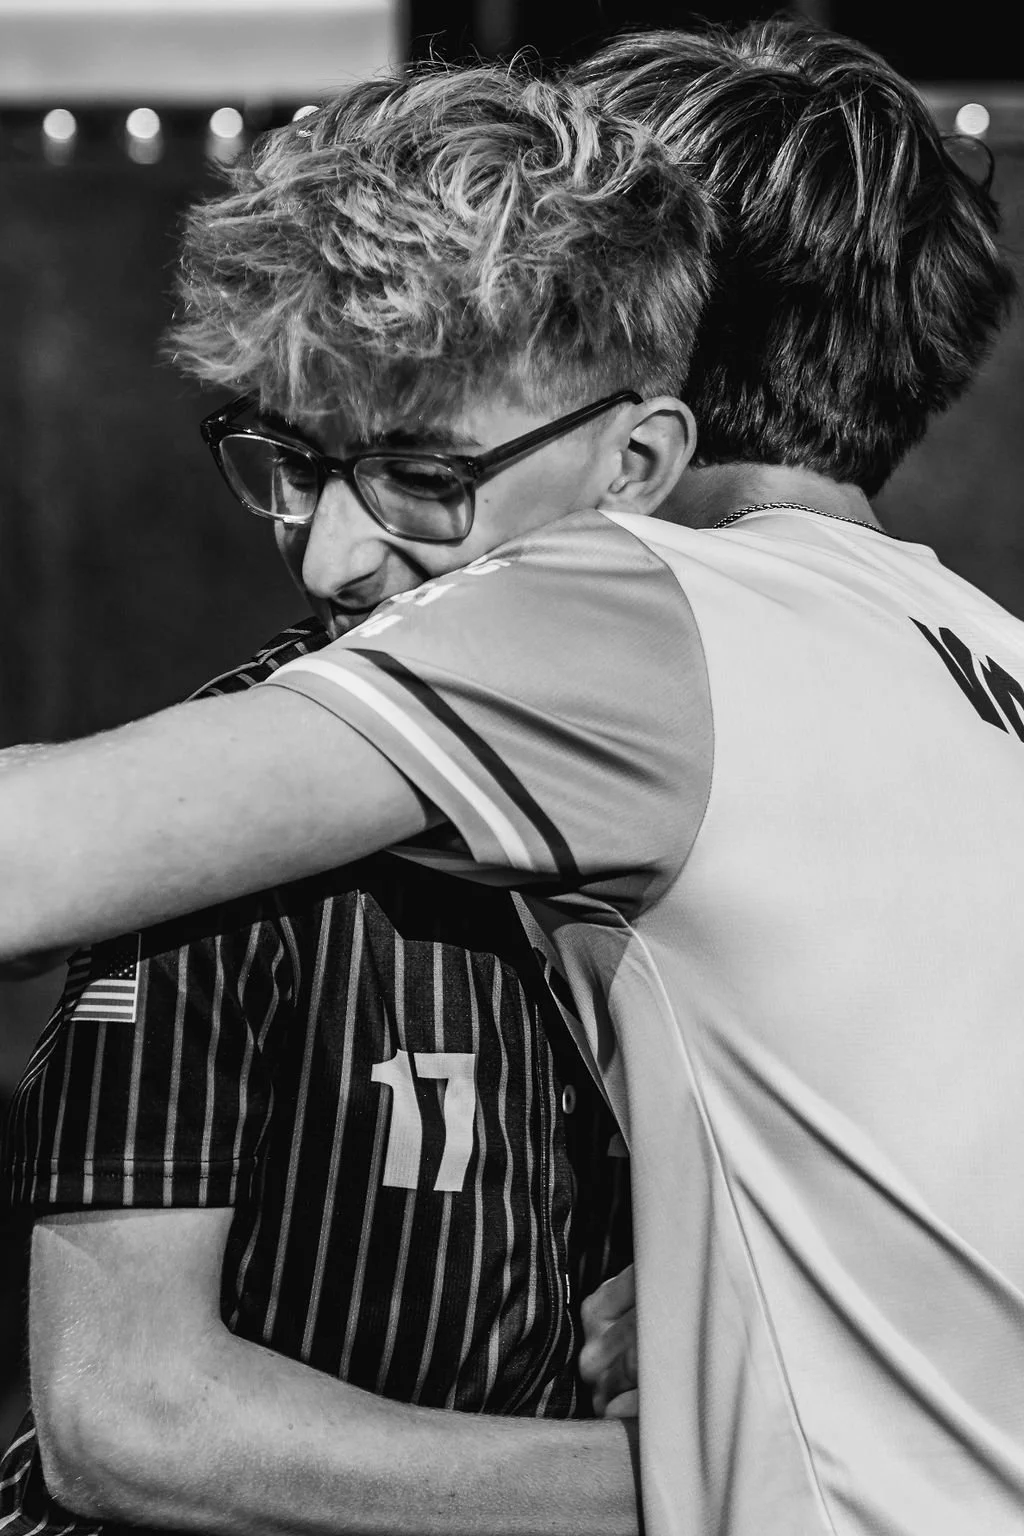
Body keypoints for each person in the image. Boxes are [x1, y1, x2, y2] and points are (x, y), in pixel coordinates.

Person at [1, 18, 1021, 1536]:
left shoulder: (634, 616)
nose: (338, 547)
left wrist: (716, 1444)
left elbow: (30, 851)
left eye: (426, 469)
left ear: (643, 399)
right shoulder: (980, 650)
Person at [1, 60, 703, 1536]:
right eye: (292, 468)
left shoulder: (777, 771)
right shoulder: (224, 804)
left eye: (424, 480)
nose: (328, 563)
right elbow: (123, 1419)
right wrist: (716, 1487)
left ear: (639, 463)